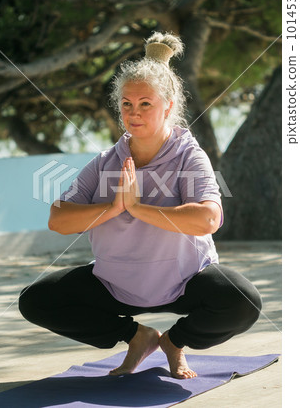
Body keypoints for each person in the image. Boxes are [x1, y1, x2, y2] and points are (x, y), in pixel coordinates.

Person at [19, 32, 262, 379]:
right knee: (35, 300)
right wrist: (114, 208)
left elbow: (208, 218)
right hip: (116, 285)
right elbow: (59, 220)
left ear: (168, 105)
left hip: (184, 282)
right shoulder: (105, 162)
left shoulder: (189, 156)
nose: (134, 113)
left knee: (243, 300)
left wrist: (138, 208)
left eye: (145, 103)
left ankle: (175, 342)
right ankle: (138, 336)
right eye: (127, 104)